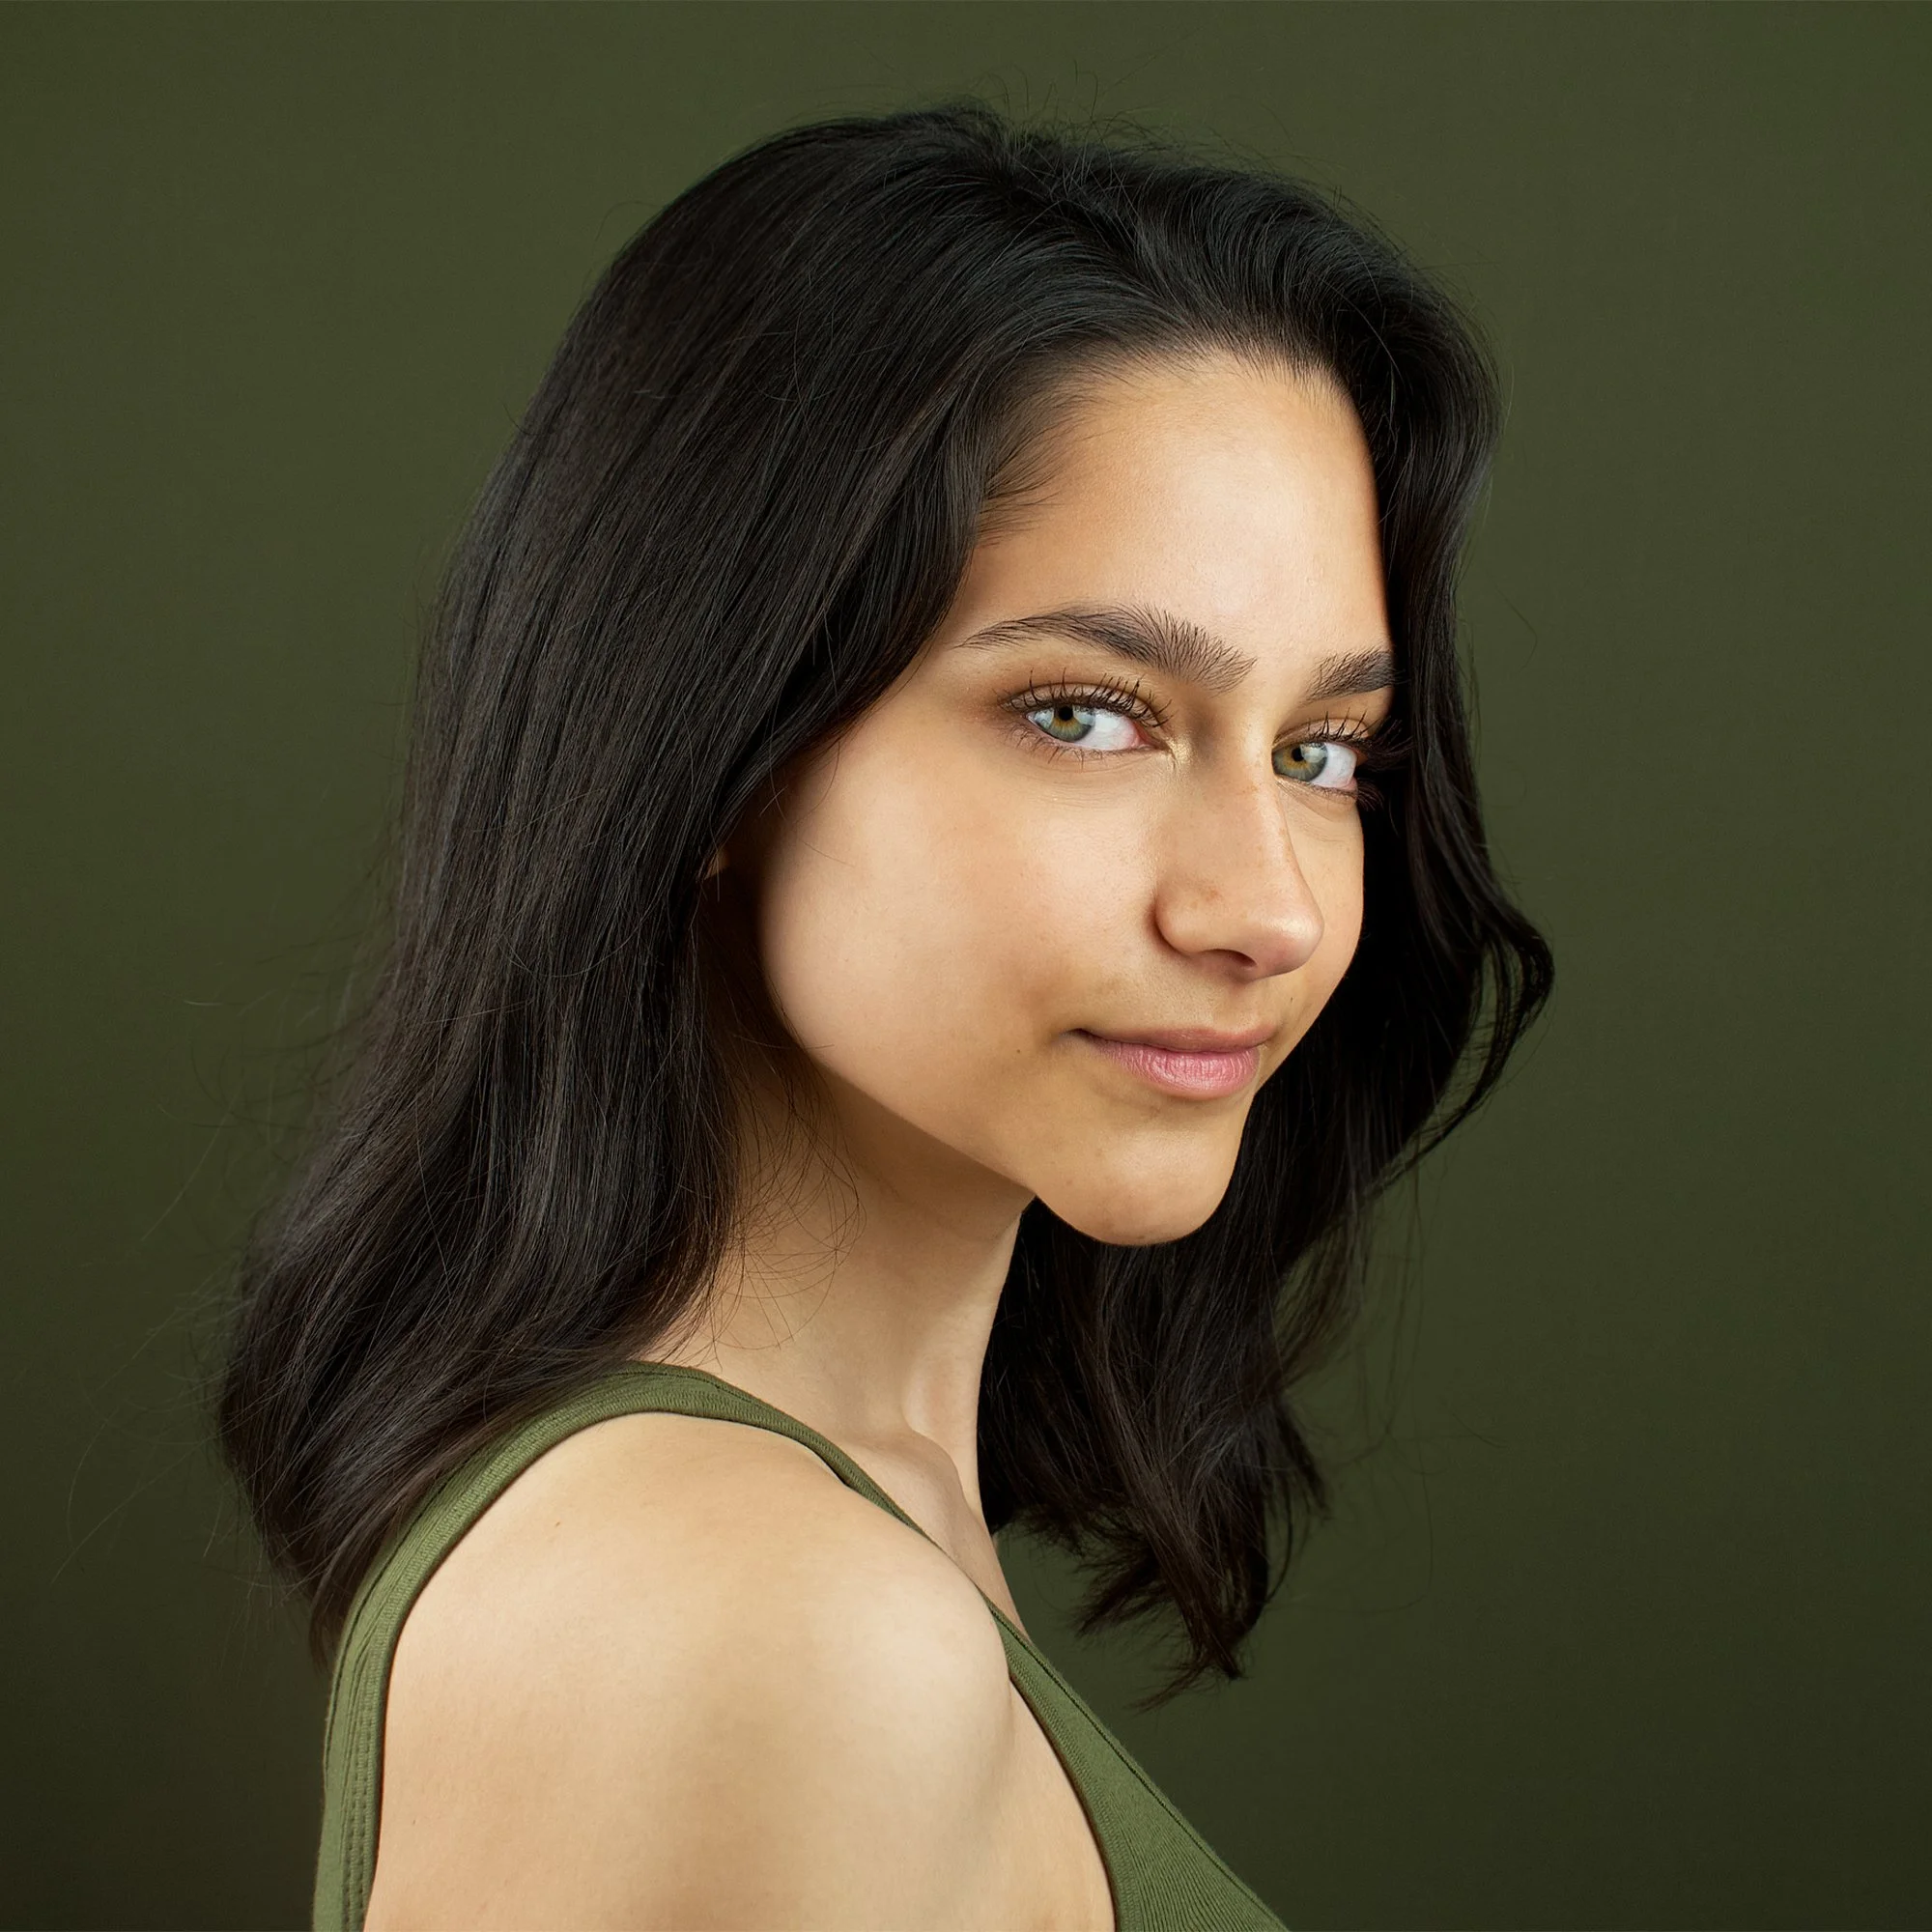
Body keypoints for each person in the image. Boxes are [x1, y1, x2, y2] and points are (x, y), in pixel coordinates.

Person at [218, 102, 1551, 1931]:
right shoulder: (762, 1621)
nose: (1271, 910)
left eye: (1324, 752)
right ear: (708, 747)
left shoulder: (830, 1531)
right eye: (1086, 714)